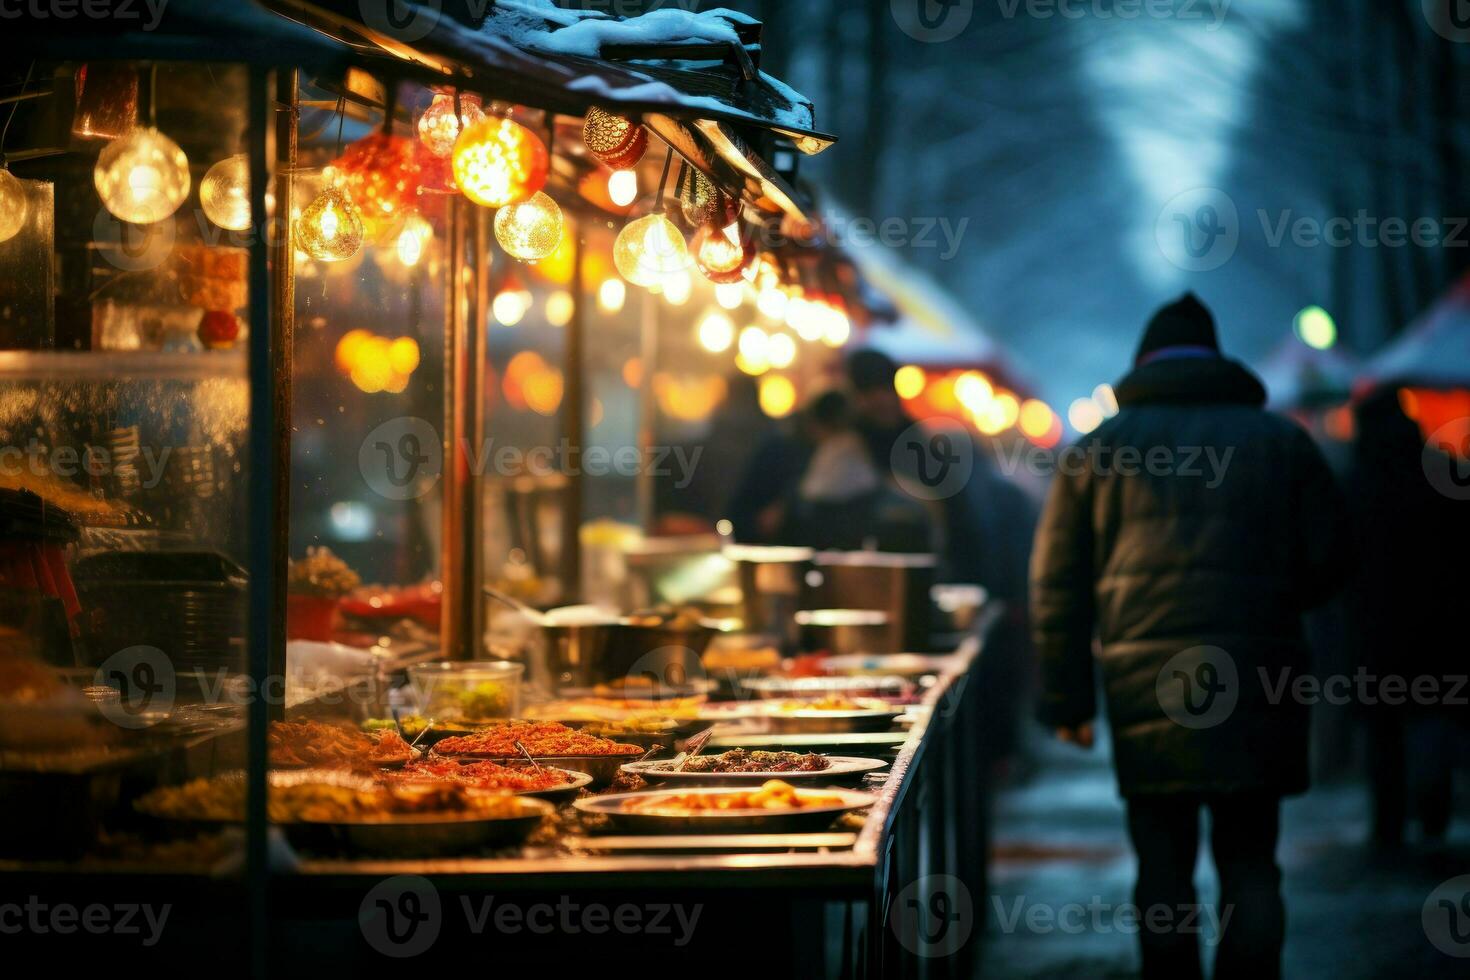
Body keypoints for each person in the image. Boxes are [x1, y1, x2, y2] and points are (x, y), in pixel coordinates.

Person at [1030, 293, 1349, 980]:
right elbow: (1332, 559)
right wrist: (1270, 607)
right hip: (1258, 683)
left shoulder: (1098, 452)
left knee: (1163, 867)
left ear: (1142, 363)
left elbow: (1058, 586)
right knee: (1251, 863)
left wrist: (1069, 703)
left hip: (1147, 690)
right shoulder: (1283, 442)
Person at [1344, 386, 1456, 847]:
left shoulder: (1357, 481)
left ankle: (1387, 824)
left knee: (1384, 732)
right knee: (1431, 718)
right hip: (1435, 621)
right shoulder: (1440, 473)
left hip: (1377, 627)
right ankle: (1434, 809)